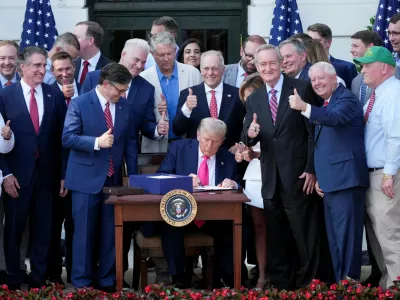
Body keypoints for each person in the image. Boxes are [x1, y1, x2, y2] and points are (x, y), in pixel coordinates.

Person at [241, 44, 320, 290]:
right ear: (256, 65)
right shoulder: (254, 98)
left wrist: (311, 168)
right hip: (271, 179)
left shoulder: (302, 88)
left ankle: (310, 284)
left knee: (304, 234)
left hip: (298, 176)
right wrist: (250, 134)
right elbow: (247, 135)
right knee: (276, 235)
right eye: (262, 64)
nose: (267, 68)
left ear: (280, 64)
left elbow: (314, 132)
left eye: (272, 63)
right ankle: (281, 284)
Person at [289, 61, 369, 282]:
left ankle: (350, 285)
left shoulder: (346, 99)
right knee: (335, 241)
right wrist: (319, 176)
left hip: (347, 182)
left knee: (347, 240)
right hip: (330, 182)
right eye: (313, 80)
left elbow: (335, 119)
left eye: (321, 78)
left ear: (334, 78)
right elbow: (323, 145)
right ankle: (339, 287)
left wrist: (304, 107)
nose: (316, 83)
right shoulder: (327, 103)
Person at [62, 63, 138, 292]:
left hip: (114, 182)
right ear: (106, 84)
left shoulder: (125, 106)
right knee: (84, 234)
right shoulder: (79, 103)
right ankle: (83, 284)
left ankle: (107, 282)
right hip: (85, 180)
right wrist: (96, 143)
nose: (122, 94)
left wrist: (131, 177)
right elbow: (68, 138)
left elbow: (131, 143)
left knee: (110, 234)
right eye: (120, 90)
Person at [0, 46, 67, 290]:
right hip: (16, 177)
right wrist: (5, 174)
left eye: (44, 65)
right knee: (14, 230)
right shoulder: (5, 96)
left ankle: (38, 282)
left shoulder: (54, 95)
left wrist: (62, 175)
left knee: (44, 230)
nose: (43, 70)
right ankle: (14, 279)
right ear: (23, 68)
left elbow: (62, 139)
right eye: (37, 66)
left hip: (47, 177)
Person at [154, 117, 241, 288]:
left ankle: (223, 280)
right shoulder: (179, 148)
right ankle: (178, 279)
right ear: (198, 135)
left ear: (222, 141)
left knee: (235, 229)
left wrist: (234, 184)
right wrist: (182, 180)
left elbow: (240, 183)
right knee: (171, 225)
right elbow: (161, 175)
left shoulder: (228, 158)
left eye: (215, 142)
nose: (209, 145)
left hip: (213, 216)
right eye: (207, 139)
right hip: (183, 212)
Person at [354, 46, 400, 290]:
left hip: (385, 175)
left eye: (367, 65)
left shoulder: (393, 94)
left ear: (384, 68)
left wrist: (388, 175)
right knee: (377, 238)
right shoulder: (376, 94)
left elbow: (396, 138)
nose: (363, 70)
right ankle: (387, 285)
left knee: (390, 236)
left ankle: (396, 287)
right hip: (373, 175)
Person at [47, 51, 80, 284]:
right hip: (55, 172)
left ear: (74, 67)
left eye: (68, 68)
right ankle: (55, 274)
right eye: (59, 70)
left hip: (82, 171)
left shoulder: (88, 92)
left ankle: (76, 272)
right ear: (52, 71)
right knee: (53, 224)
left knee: (76, 226)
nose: (65, 73)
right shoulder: (49, 95)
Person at [140, 31, 202, 153]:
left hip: (188, 144)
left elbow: (202, 109)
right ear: (152, 54)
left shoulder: (192, 73)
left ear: (175, 51)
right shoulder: (143, 78)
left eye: (170, 53)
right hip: (155, 147)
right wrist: (154, 109)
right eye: (161, 55)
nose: (166, 59)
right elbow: (139, 117)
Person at [235, 73, 269, 289]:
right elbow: (245, 143)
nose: (249, 102)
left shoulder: (276, 109)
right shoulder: (248, 117)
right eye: (246, 99)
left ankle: (279, 273)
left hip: (277, 174)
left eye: (252, 97)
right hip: (255, 176)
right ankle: (262, 275)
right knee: (259, 228)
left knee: (278, 227)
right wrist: (242, 152)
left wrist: (256, 154)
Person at [173, 50, 244, 149]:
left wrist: (240, 145)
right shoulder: (188, 95)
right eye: (206, 68)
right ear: (201, 70)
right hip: (197, 159)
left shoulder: (237, 95)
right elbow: (177, 130)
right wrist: (187, 109)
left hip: (228, 158)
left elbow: (244, 129)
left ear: (223, 70)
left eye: (214, 68)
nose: (210, 73)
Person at [307, 23, 358, 88]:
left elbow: (352, 96)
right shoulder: (302, 67)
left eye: (317, 41)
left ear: (328, 42)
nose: (312, 44)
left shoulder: (346, 67)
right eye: (309, 41)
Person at [351, 30, 383, 108]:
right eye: (351, 46)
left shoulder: (390, 74)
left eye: (355, 46)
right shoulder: (356, 81)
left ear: (370, 47)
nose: (351, 50)